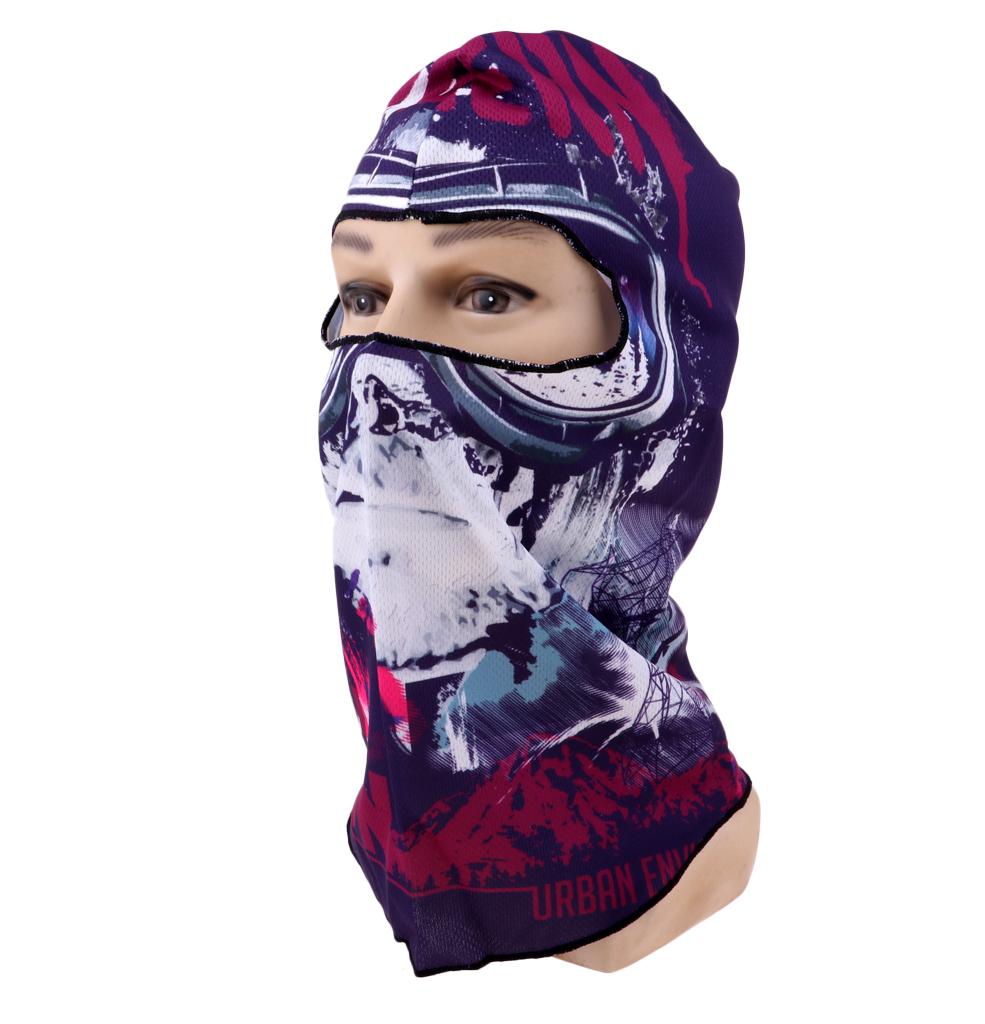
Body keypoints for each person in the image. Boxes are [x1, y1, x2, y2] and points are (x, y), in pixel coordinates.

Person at [318, 29, 758, 977]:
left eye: (487, 295)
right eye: (365, 296)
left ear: (666, 367)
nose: (377, 385)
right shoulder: (394, 821)